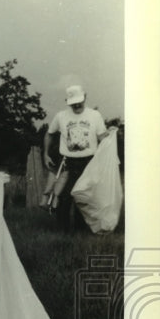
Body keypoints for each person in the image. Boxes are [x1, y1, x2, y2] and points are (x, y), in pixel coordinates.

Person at [42, 85, 109, 231]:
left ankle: (82, 231)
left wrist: (111, 136)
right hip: (67, 162)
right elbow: (49, 133)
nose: (77, 105)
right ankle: (62, 231)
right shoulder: (61, 116)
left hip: (89, 162)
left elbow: (101, 137)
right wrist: (46, 153)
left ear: (85, 97)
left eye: (79, 101)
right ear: (67, 101)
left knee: (84, 197)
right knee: (63, 196)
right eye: (73, 103)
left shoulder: (94, 115)